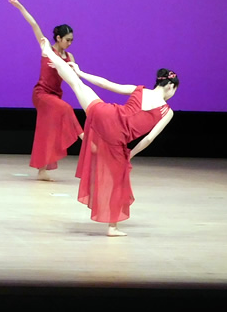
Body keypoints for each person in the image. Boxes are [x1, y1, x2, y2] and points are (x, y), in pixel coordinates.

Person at [40, 38, 177, 236]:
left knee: (76, 84)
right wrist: (130, 155)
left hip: (107, 114)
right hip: (117, 138)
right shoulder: (167, 111)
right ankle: (112, 227)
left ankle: (50, 54)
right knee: (117, 182)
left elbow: (106, 84)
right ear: (170, 86)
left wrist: (80, 72)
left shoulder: (139, 90)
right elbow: (148, 139)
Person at [7, 0, 83, 180]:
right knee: (66, 109)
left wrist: (73, 70)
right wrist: (20, 7)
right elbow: (34, 25)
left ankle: (42, 171)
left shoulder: (70, 57)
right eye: (67, 40)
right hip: (42, 94)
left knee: (47, 132)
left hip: (55, 96)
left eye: (71, 40)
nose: (70, 43)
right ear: (58, 38)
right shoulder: (47, 48)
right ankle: (84, 137)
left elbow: (74, 80)